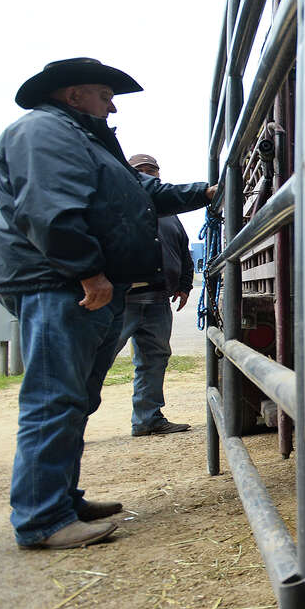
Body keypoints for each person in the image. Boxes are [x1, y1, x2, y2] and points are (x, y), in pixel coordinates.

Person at [0, 58, 215, 549]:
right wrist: (87, 270)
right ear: (75, 96)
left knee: (75, 398)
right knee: (55, 397)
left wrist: (208, 191)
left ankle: (61, 499)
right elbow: (48, 207)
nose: (112, 107)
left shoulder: (83, 139)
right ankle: (43, 519)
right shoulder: (45, 133)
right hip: (60, 283)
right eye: (105, 96)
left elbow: (144, 195)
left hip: (76, 283)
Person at [118, 153, 195, 437]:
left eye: (153, 170)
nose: (149, 175)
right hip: (123, 299)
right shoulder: (119, 205)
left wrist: (185, 285)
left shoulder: (170, 213)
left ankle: (147, 419)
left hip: (159, 301)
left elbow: (183, 250)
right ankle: (72, 422)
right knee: (96, 359)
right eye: (141, 170)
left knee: (155, 359)